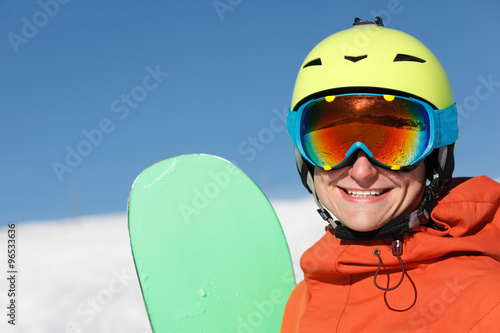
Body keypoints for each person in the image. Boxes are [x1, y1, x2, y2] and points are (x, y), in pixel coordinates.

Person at [281, 17, 500, 332]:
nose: (361, 170)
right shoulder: (300, 302)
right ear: (305, 158)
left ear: (435, 158)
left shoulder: (485, 305)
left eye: (394, 143)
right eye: (333, 143)